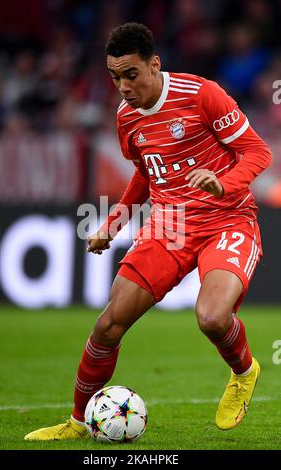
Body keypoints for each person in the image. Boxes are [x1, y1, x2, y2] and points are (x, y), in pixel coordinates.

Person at [24, 23, 272, 441]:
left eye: (131, 74)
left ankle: (244, 371)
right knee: (108, 325)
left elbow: (257, 151)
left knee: (212, 318)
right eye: (114, 77)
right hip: (170, 224)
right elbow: (144, 175)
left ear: (154, 65)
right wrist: (111, 224)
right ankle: (79, 422)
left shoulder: (201, 95)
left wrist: (223, 183)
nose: (122, 86)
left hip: (227, 218)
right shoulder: (126, 117)